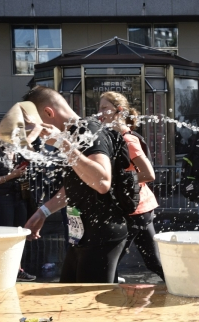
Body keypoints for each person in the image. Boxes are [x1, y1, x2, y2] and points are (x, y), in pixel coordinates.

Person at [23, 86, 127, 283]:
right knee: (68, 296)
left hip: (102, 236)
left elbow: (102, 181)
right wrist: (43, 212)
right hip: (81, 237)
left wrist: (63, 144)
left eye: (38, 126)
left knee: (87, 306)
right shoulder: (72, 135)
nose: (39, 135)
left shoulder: (89, 130)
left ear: (48, 113)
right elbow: (76, 186)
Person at [98, 91, 165, 281]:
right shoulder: (110, 136)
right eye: (99, 107)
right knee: (153, 261)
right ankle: (183, 285)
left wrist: (116, 183)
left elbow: (149, 174)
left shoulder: (128, 139)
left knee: (110, 261)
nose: (100, 112)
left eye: (104, 108)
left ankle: (107, 294)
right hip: (136, 208)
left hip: (137, 209)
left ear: (119, 111)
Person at [0, 145, 36, 281]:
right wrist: (11, 176)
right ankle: (3, 270)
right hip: (3, 198)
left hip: (20, 197)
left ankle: (17, 270)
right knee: (6, 235)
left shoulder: (19, 150)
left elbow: (33, 154)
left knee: (20, 235)